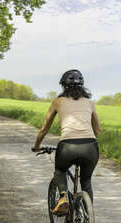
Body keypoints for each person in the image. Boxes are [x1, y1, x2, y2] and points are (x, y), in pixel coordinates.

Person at [32, 69, 102, 214]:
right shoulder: (90, 103)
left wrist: (37, 146)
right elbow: (98, 131)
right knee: (86, 182)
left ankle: (63, 197)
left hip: (68, 146)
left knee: (60, 170)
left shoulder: (58, 102)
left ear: (63, 85)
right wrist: (89, 141)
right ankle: (87, 221)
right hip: (90, 146)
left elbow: (44, 129)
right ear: (82, 85)